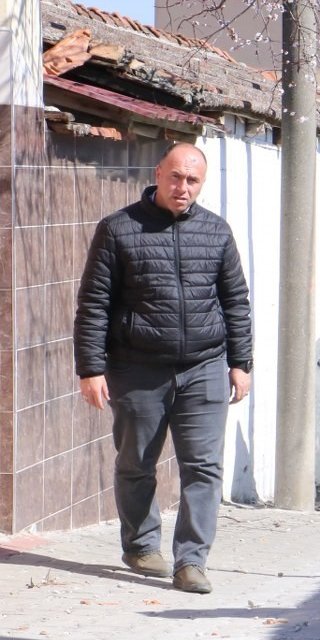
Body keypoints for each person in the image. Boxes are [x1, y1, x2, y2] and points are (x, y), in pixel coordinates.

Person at [74, 143, 254, 595]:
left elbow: (236, 301)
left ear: (202, 183)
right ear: (159, 173)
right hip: (137, 368)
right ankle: (140, 545)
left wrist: (240, 362)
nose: (183, 188)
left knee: (204, 467)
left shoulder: (216, 232)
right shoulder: (118, 229)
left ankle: (191, 560)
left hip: (204, 365)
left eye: (193, 180)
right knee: (136, 463)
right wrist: (91, 368)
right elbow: (94, 304)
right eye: (176, 177)